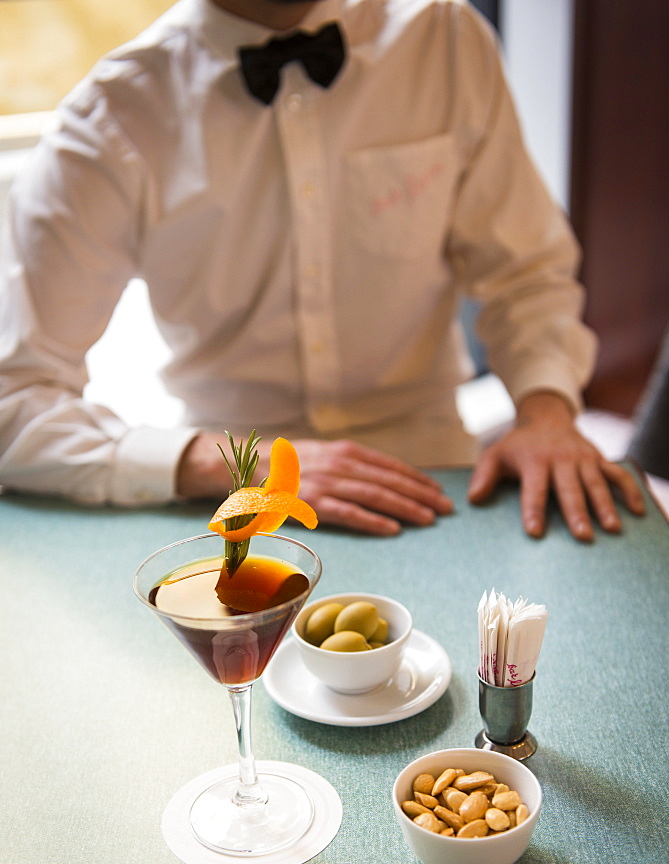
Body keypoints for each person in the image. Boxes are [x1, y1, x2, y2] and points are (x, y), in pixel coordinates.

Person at [0, 0, 645, 540]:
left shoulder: (445, 40)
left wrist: (546, 413)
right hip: (229, 502)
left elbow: (527, 272)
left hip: (442, 491)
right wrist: (229, 466)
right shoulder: (110, 119)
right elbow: (13, 402)